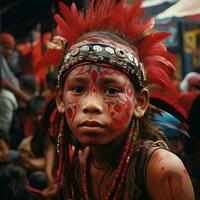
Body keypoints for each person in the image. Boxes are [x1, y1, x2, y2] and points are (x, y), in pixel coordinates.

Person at [38, 0, 195, 199]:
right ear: (61, 99)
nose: (91, 105)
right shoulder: (78, 164)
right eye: (78, 89)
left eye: (111, 91)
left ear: (139, 102)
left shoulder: (161, 170)